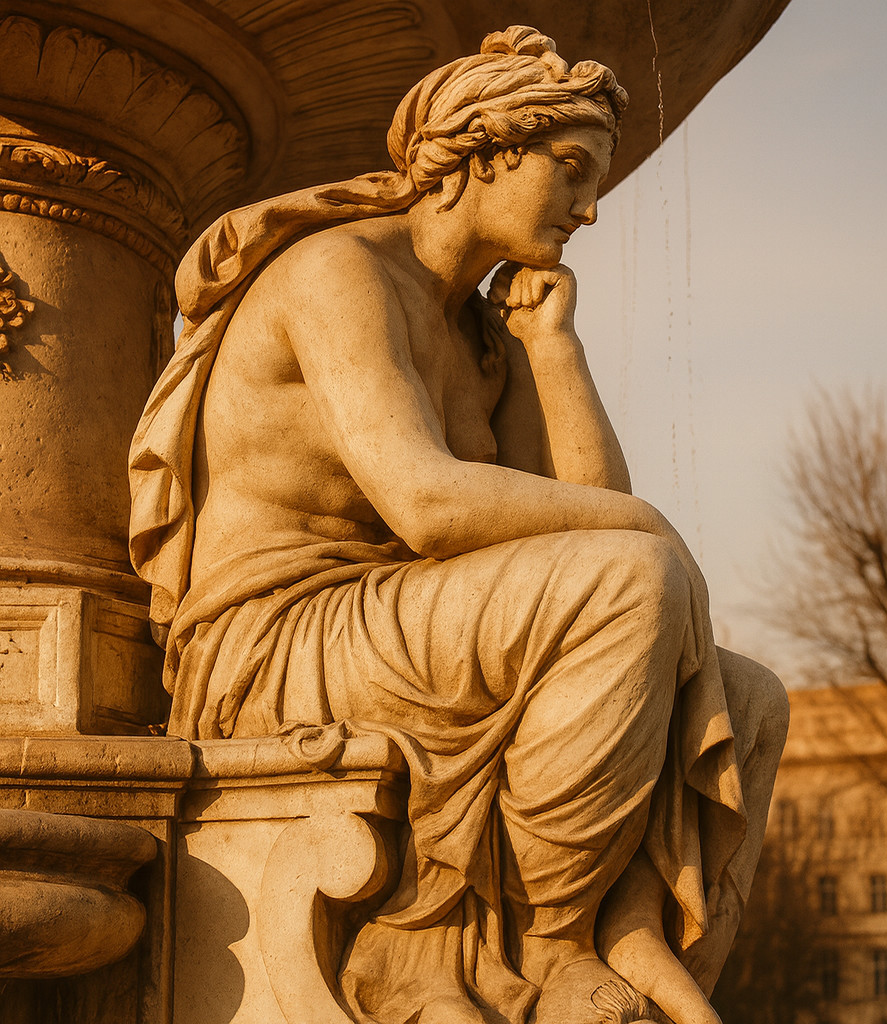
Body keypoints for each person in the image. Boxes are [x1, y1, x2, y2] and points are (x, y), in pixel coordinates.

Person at [129, 25, 787, 1024]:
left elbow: (575, 518)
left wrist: (550, 347)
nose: (589, 207)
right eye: (569, 171)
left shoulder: (481, 334)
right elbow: (431, 504)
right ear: (485, 152)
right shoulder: (336, 272)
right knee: (635, 577)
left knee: (749, 698)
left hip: (389, 621)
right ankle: (543, 943)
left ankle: (626, 918)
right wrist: (644, 526)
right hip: (274, 637)